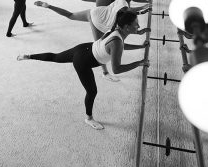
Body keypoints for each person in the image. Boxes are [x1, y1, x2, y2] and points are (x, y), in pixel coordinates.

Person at [17, 9, 149, 129]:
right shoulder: (117, 42)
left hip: (83, 48)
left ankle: (28, 56)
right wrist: (139, 63)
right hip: (83, 61)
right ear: (126, 27)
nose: (138, 27)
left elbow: (120, 47)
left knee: (56, 57)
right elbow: (117, 69)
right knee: (92, 92)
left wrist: (140, 47)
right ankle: (89, 118)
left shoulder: (116, 30)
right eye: (136, 25)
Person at [33, 0, 151, 82]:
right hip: (98, 21)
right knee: (100, 49)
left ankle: (50, 4)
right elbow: (125, 32)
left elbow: (127, 27)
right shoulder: (123, 14)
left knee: (71, 15)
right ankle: (105, 73)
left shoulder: (122, 5)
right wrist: (139, 62)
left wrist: (140, 42)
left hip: (96, 11)